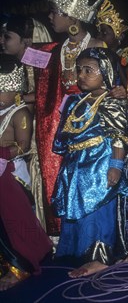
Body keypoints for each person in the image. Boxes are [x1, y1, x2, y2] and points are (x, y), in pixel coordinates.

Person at [51, 48, 128, 278]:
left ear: (105, 73)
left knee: (98, 210)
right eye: (79, 70)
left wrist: (116, 165)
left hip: (99, 165)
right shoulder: (75, 101)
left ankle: (100, 257)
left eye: (88, 70)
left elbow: (119, 137)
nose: (81, 75)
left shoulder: (112, 102)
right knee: (79, 208)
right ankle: (82, 250)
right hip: (77, 165)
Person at [38, 0, 105, 234]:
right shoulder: (55, 50)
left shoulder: (99, 46)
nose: (51, 17)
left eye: (55, 12)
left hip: (94, 126)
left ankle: (97, 237)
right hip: (62, 128)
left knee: (90, 180)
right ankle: (64, 233)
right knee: (64, 179)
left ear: (72, 15)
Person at [0, 55, 52, 290]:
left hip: (11, 172)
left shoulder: (20, 113)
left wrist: (1, 153)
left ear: (13, 91)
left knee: (15, 219)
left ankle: (22, 263)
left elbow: (24, 145)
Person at [1, 16, 52, 228]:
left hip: (36, 134)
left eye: (7, 37)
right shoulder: (10, 65)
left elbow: (48, 95)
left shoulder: (39, 62)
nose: (1, 41)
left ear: (27, 41)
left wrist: (19, 100)